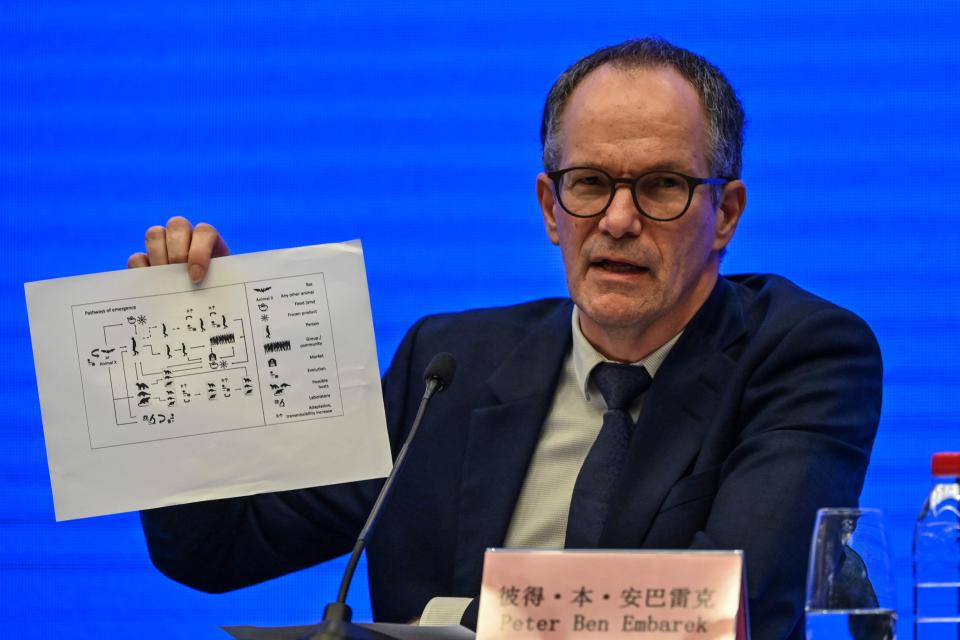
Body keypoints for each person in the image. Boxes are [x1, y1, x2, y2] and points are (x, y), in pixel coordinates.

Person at [134, 38, 882, 639]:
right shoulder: (448, 367)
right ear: (551, 209)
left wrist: (446, 623)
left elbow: (723, 607)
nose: (618, 220)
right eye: (588, 183)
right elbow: (216, 551)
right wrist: (199, 360)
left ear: (724, 214)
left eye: (660, 186)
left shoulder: (803, 354)